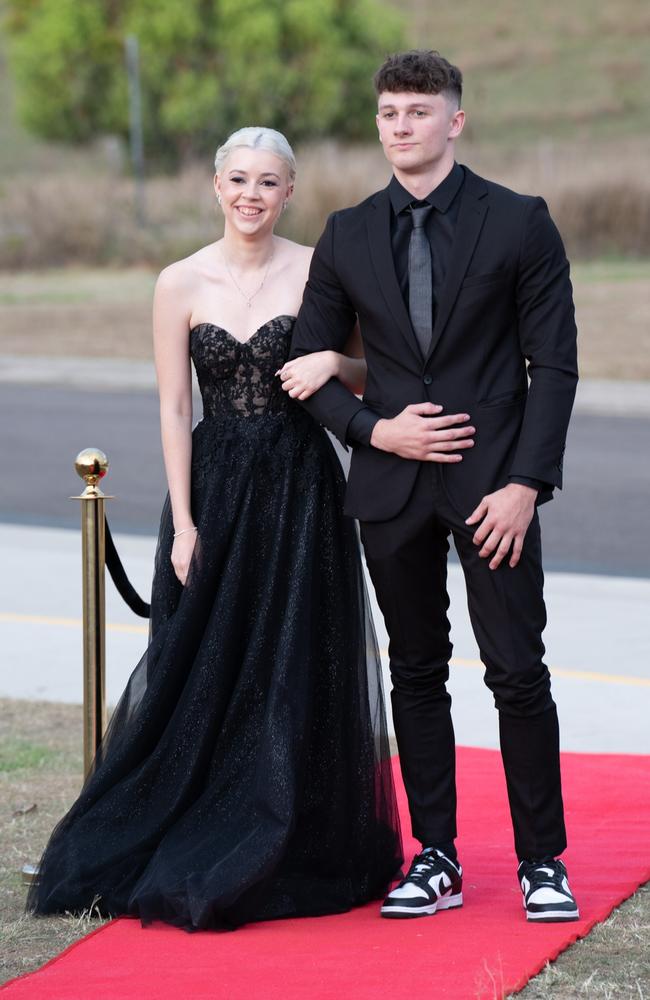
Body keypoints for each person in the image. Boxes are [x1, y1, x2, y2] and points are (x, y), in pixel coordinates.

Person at [27, 127, 403, 931]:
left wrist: (337, 366)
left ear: (291, 190)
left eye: (269, 182)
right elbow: (172, 406)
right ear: (215, 185)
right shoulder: (178, 281)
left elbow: (379, 371)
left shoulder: (320, 270)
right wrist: (185, 523)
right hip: (215, 487)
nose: (252, 196)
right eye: (239, 179)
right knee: (200, 666)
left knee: (297, 662)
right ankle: (188, 815)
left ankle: (291, 831)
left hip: (303, 488)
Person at [282, 50, 579, 923]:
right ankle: (436, 856)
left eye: (418, 111)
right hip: (389, 487)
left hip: (495, 492)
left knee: (517, 672)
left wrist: (527, 483)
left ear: (456, 120)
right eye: (387, 114)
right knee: (415, 673)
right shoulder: (347, 232)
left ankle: (542, 862)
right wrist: (377, 430)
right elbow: (308, 365)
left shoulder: (521, 222)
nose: (400, 127)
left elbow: (553, 366)